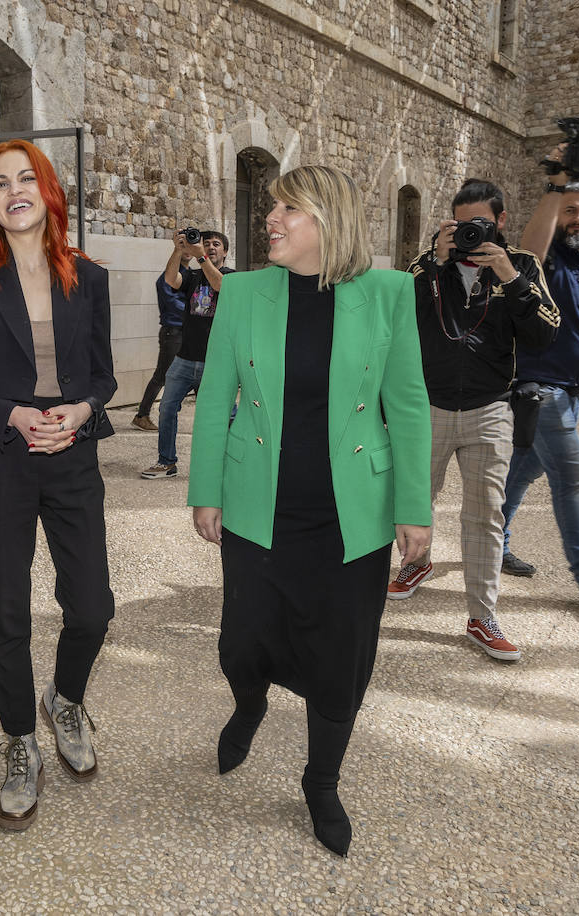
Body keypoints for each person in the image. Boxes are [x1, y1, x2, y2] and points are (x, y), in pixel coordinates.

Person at [188, 165, 431, 857]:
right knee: (242, 642)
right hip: (258, 509)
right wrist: (206, 488)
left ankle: (321, 781)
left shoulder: (388, 294)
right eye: (272, 208)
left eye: (288, 209)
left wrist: (414, 508)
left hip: (349, 517)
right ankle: (250, 700)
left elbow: (408, 406)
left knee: (340, 657)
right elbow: (215, 400)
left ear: (328, 219)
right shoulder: (241, 292)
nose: (271, 219)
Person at [0, 139, 117, 832]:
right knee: (6, 613)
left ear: (48, 193)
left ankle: (65, 698)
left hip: (73, 459)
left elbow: (102, 377)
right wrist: (11, 414)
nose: (15, 190)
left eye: (26, 179)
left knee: (93, 608)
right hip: (5, 460)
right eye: (0, 182)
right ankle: (20, 743)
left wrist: (83, 409)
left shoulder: (90, 279)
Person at [386, 179, 560, 662]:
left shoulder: (522, 264)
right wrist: (430, 263)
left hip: (489, 408)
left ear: (501, 222)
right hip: (430, 406)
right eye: (461, 225)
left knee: (485, 514)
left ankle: (482, 616)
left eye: (480, 224)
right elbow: (395, 317)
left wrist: (509, 275)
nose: (470, 233)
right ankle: (416, 564)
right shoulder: (429, 265)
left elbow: (546, 333)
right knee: (412, 499)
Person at [500, 149, 579, 607]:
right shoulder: (544, 259)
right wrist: (555, 185)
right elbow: (529, 249)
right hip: (537, 388)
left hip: (573, 390)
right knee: (570, 475)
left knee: (525, 468)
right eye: (570, 210)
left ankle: (493, 540)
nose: (578, 218)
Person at [140, 229, 235, 479]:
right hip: (183, 359)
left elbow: (219, 285)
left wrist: (200, 256)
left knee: (223, 415)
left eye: (216, 244)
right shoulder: (192, 276)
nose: (211, 247)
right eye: (206, 243)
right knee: (167, 409)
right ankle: (166, 462)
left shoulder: (234, 278)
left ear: (225, 251)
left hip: (215, 362)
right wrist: (179, 250)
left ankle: (231, 463)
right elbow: (171, 280)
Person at [129, 265, 190, 431]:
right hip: (173, 332)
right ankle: (142, 415)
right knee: (162, 375)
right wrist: (194, 309)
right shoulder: (169, 276)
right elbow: (172, 303)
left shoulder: (189, 273)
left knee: (189, 373)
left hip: (184, 331)